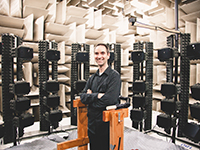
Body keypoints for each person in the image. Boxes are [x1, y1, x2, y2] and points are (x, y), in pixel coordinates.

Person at [80, 43, 121, 150]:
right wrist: (97, 95)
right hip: (92, 124)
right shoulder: (92, 78)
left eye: (102, 53)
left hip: (106, 126)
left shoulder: (114, 76)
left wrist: (91, 98)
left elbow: (110, 100)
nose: (99, 56)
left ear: (108, 55)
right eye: (96, 53)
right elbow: (83, 97)